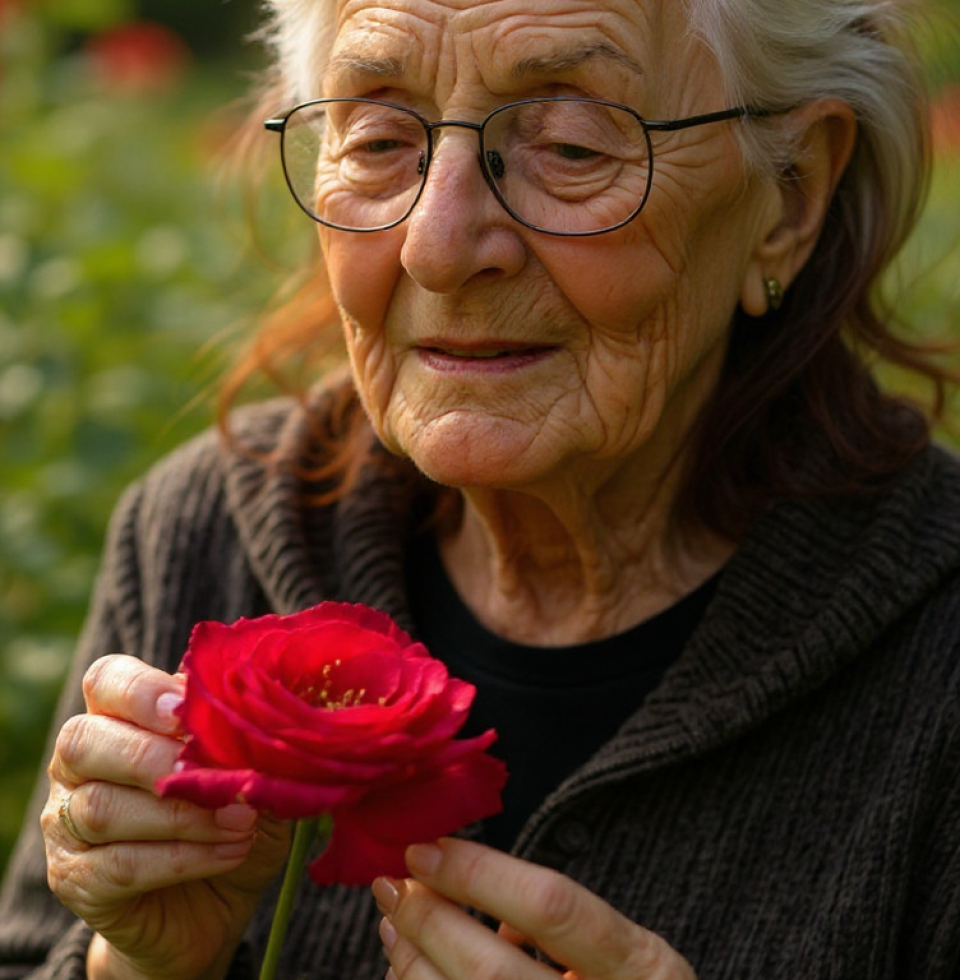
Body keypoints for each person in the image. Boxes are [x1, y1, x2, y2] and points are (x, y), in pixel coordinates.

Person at [2, 0, 959, 977]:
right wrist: (139, 968)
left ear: (789, 199)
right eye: (378, 138)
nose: (439, 245)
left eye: (573, 146)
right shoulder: (203, 532)